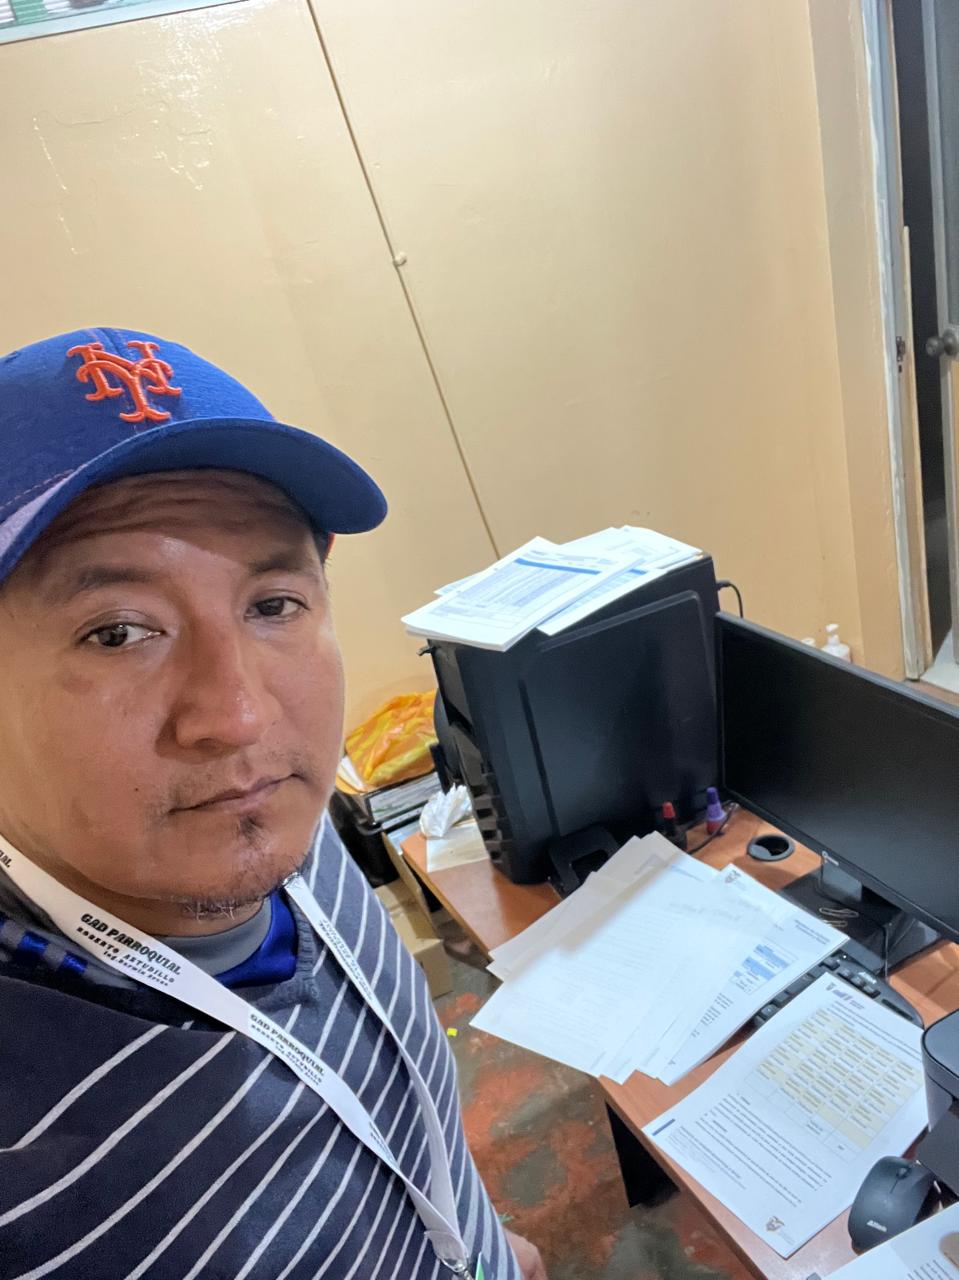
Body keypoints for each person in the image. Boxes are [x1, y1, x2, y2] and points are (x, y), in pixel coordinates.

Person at [0, 328, 547, 1280]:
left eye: (273, 605)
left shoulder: (270, 826)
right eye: (118, 631)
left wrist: (483, 1241)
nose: (239, 716)